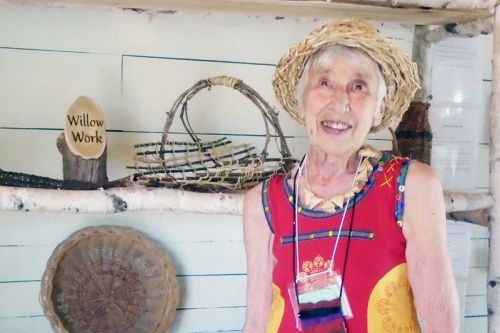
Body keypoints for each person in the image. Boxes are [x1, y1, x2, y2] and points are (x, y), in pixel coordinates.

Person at [243, 20, 459, 333]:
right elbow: (256, 318)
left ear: (378, 108)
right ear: (303, 104)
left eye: (359, 87)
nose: (340, 102)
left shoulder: (409, 185)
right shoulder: (263, 201)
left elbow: (441, 320)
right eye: (324, 84)